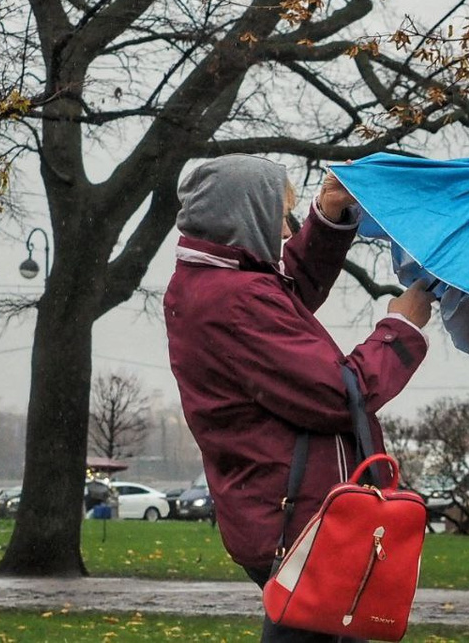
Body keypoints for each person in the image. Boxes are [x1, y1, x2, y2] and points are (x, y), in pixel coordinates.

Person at [165, 154, 434, 643]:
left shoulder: (220, 279)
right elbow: (338, 394)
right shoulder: (237, 301)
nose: (289, 230)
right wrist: (401, 328)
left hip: (287, 512)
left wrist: (329, 218)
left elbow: (287, 288)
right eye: (280, 215)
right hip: (299, 523)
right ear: (246, 218)